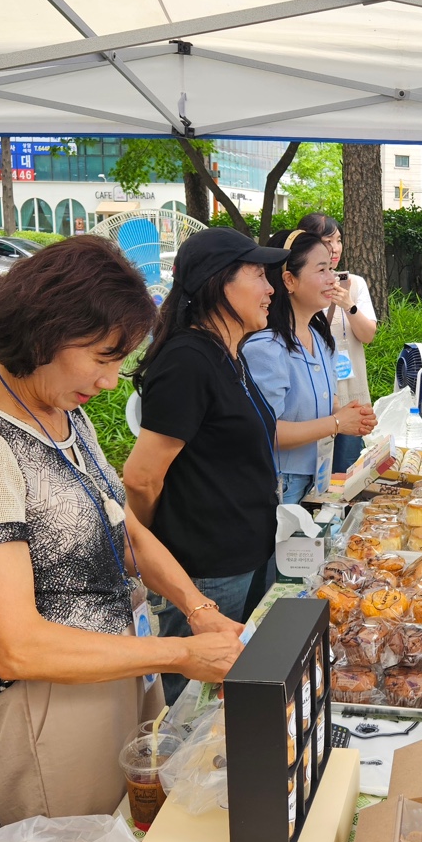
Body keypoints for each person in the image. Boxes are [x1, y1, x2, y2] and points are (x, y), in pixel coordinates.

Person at [0, 237, 244, 824]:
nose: (112, 380)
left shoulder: (63, 410)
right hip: (54, 704)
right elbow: (15, 646)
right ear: (44, 332)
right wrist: (182, 652)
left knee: (139, 838)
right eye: (102, 357)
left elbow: (125, 527)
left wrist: (196, 609)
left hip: (123, 662)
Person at [124, 227, 291, 703]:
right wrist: (153, 540)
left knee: (234, 689)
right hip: (207, 567)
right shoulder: (187, 360)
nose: (270, 288)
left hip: (246, 551)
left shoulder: (228, 353)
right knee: (193, 703)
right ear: (220, 283)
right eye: (259, 275)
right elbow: (141, 475)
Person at [244, 229, 376, 607]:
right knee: (273, 591)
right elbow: (265, 432)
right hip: (279, 489)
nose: (331, 279)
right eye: (321, 270)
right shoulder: (267, 346)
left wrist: (348, 414)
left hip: (313, 483)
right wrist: (338, 424)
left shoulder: (319, 337)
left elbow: (321, 407)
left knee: (302, 585)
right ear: (288, 279)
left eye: (331, 269)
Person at [297, 213, 379, 474]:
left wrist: (348, 305)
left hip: (351, 393)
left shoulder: (354, 284)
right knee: (315, 473)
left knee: (347, 473)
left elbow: (368, 335)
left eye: (338, 240)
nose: (334, 248)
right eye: (326, 240)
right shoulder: (301, 287)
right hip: (317, 399)